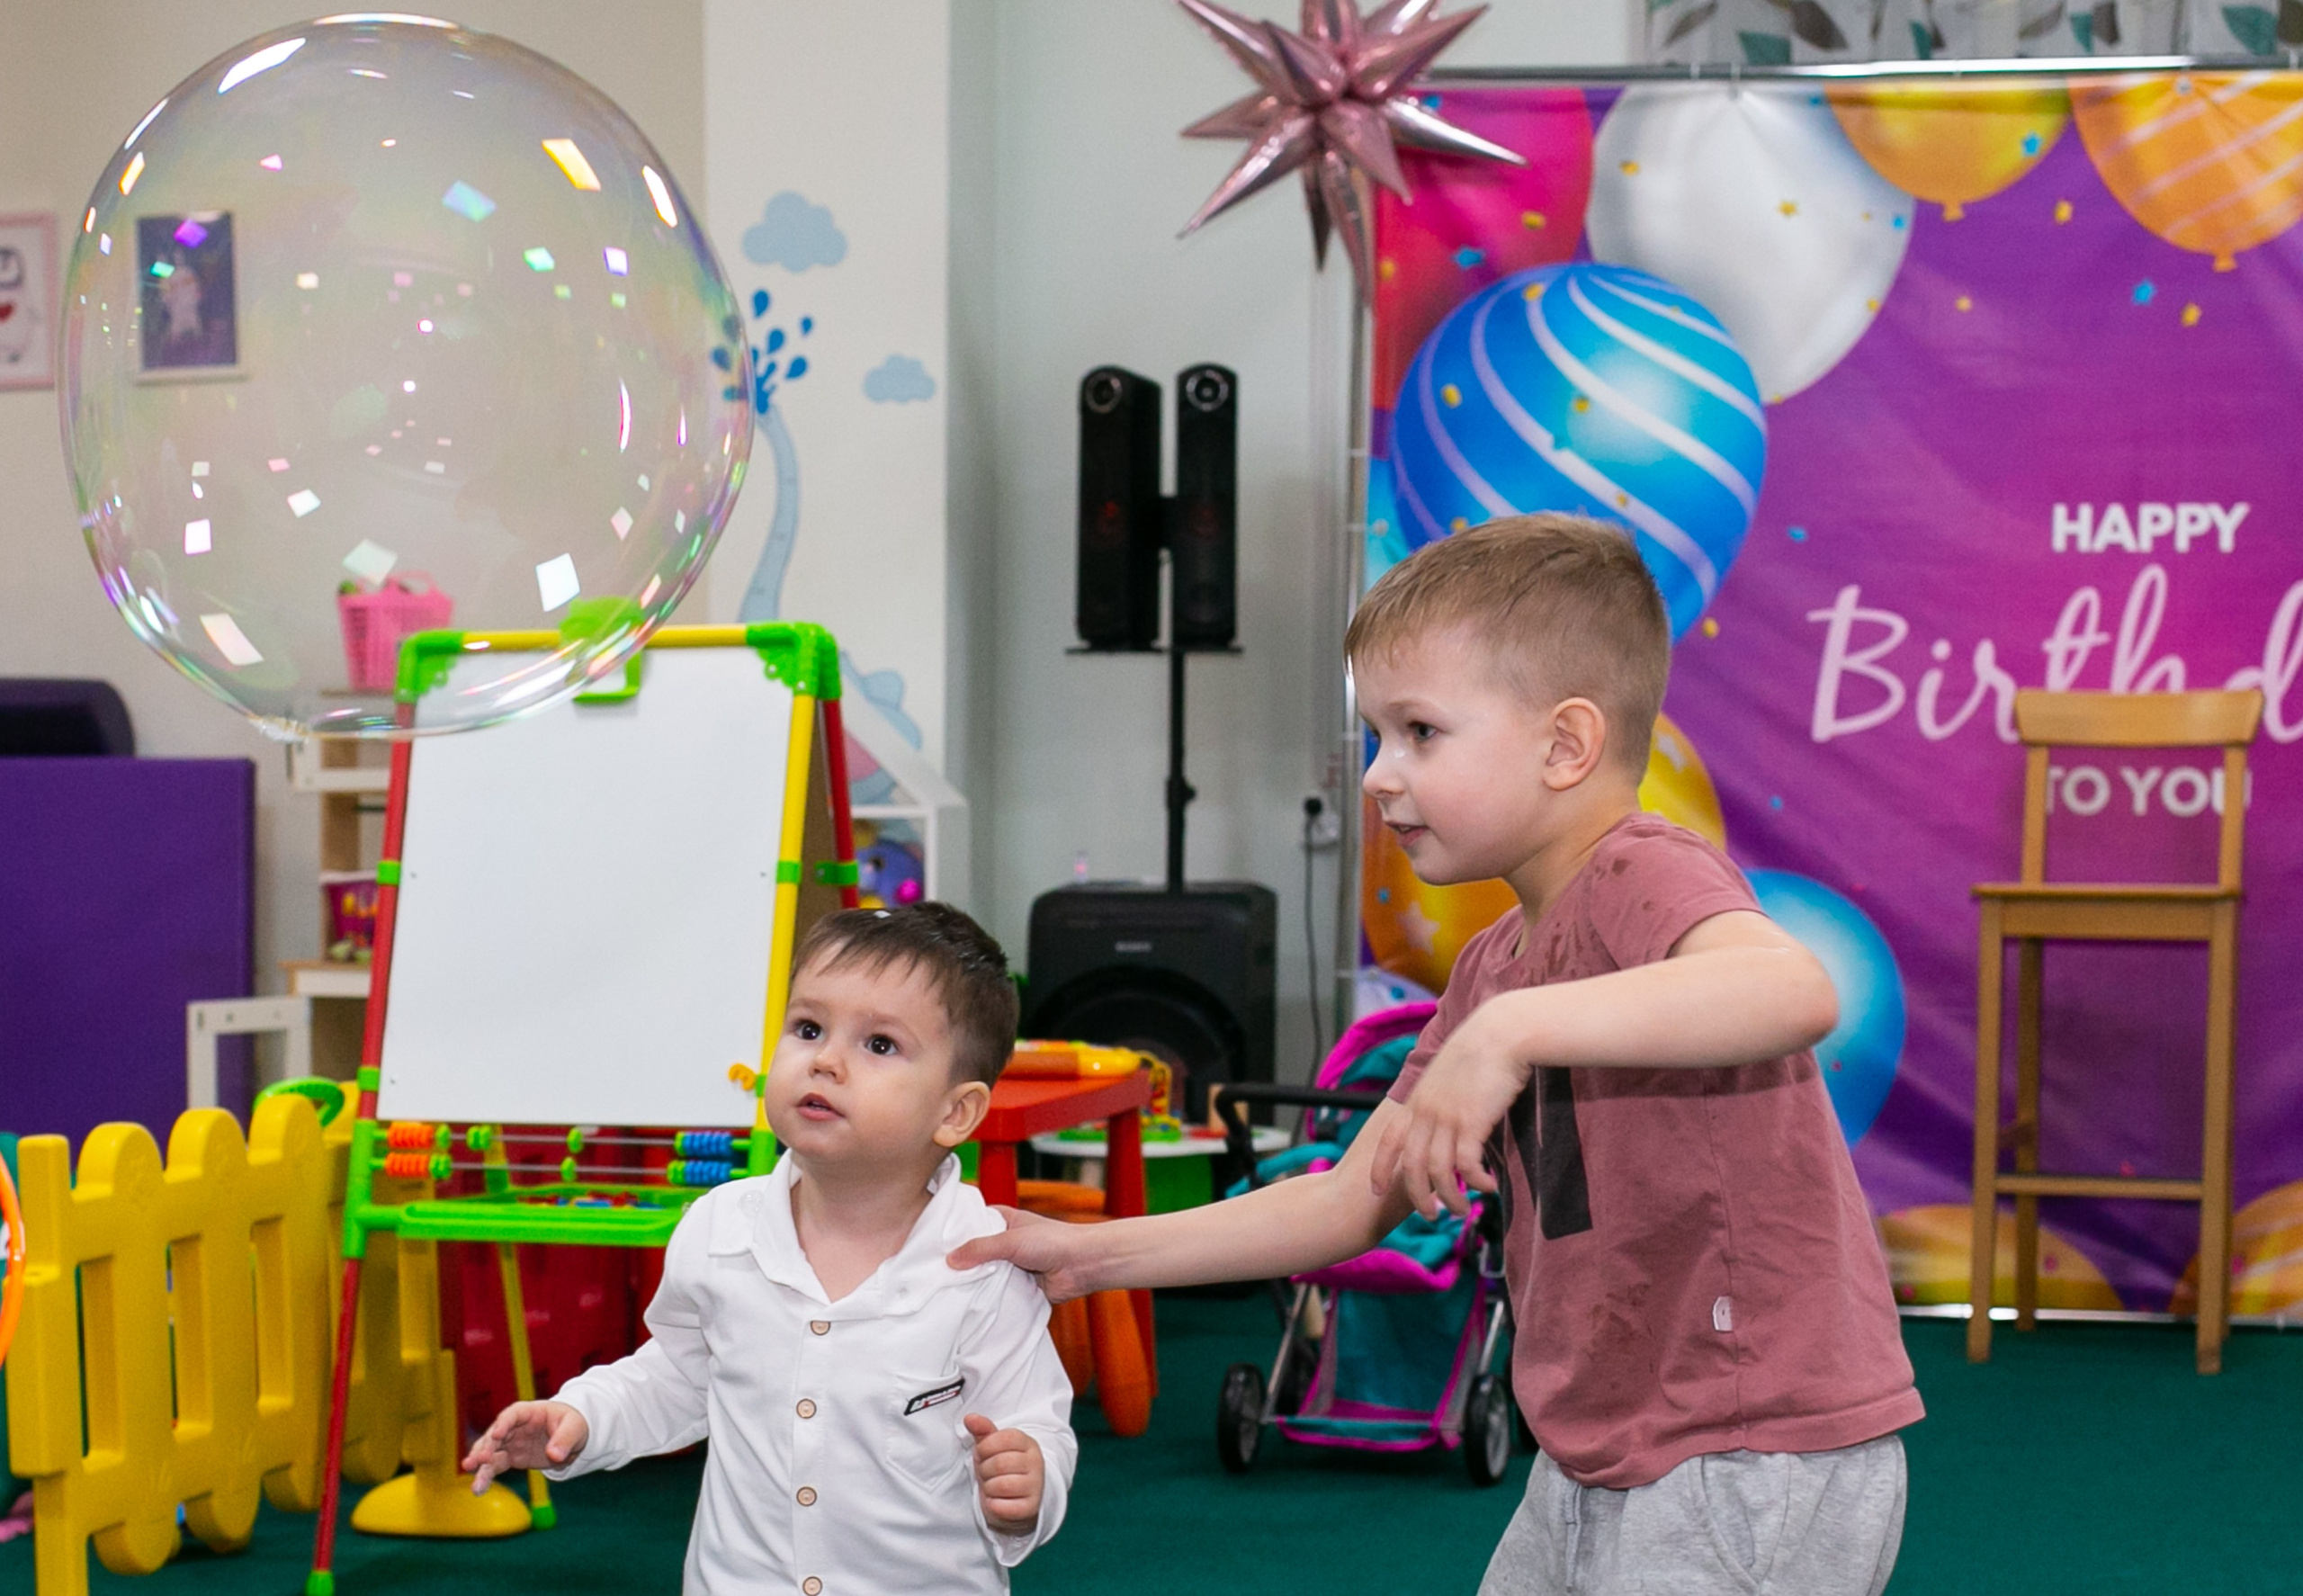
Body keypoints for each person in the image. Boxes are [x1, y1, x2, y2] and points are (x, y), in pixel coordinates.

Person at [954, 514, 1921, 1595]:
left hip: (1744, 1450)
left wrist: (1511, 1036)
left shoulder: (1642, 871)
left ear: (1565, 746)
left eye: (1419, 732)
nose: (1377, 774)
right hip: (1599, 1452)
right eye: (1375, 735)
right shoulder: (1495, 966)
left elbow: (1790, 987)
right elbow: (1348, 1199)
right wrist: (1090, 1257)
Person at [464, 902, 1075, 1596]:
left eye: (879, 1045)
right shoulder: (720, 1230)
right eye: (808, 1027)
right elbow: (677, 1378)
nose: (825, 1060)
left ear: (955, 1112)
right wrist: (583, 1415)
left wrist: (1034, 1480)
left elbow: (1036, 1426)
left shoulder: (985, 1269)